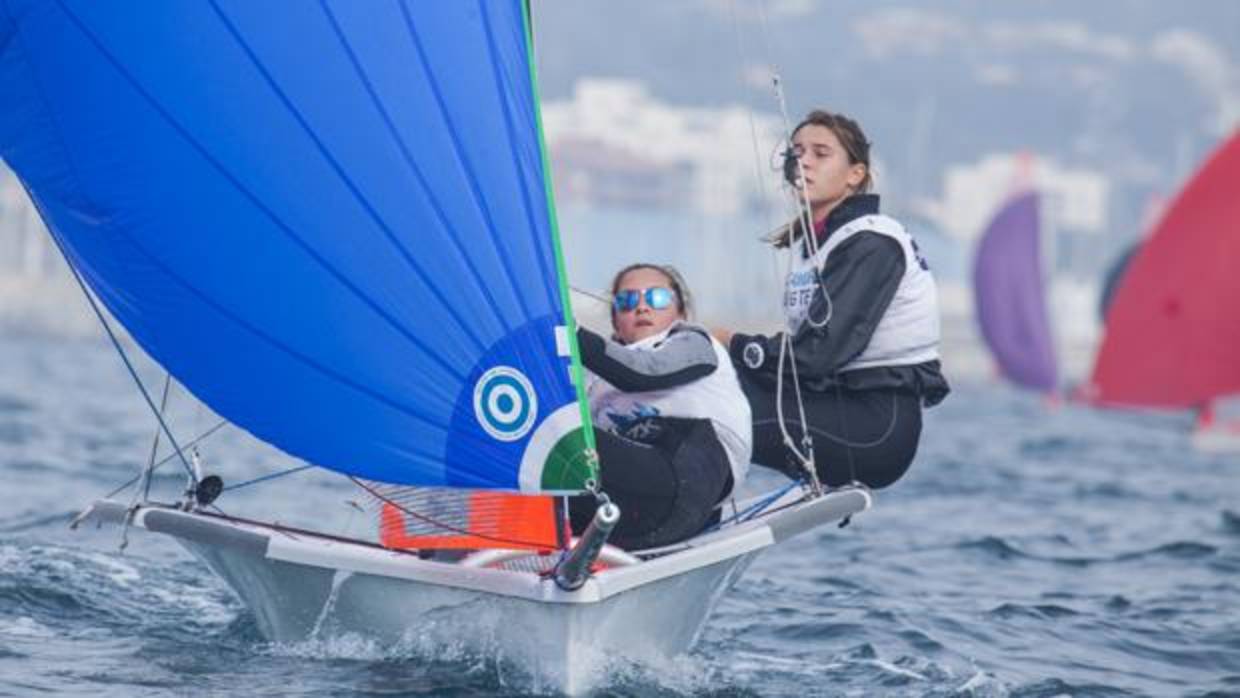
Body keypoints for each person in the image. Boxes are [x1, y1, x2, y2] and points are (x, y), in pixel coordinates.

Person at [713, 109, 949, 490]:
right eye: (796, 153)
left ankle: (667, 521)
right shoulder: (816, 243)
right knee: (700, 383)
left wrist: (735, 343)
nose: (803, 161)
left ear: (855, 174)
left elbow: (816, 356)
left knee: (710, 412)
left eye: (820, 153)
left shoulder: (871, 243)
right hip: (833, 404)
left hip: (874, 431)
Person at [571, 263, 752, 550]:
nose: (642, 308)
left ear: (680, 312)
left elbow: (643, 372)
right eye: (627, 301)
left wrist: (570, 331)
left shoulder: (694, 342)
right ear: (616, 320)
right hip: (625, 506)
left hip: (684, 484)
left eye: (657, 298)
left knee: (559, 439)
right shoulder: (594, 378)